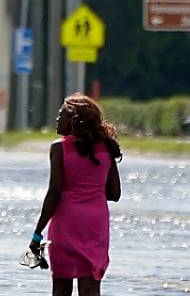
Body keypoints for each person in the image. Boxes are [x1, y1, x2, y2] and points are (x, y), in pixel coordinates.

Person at [29, 93, 122, 296]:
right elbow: (115, 193)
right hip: (94, 226)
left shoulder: (59, 148)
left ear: (74, 120)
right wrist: (92, 186)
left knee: (61, 288)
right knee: (90, 287)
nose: (57, 119)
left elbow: (54, 194)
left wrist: (37, 233)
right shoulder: (106, 147)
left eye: (61, 115)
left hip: (66, 224)